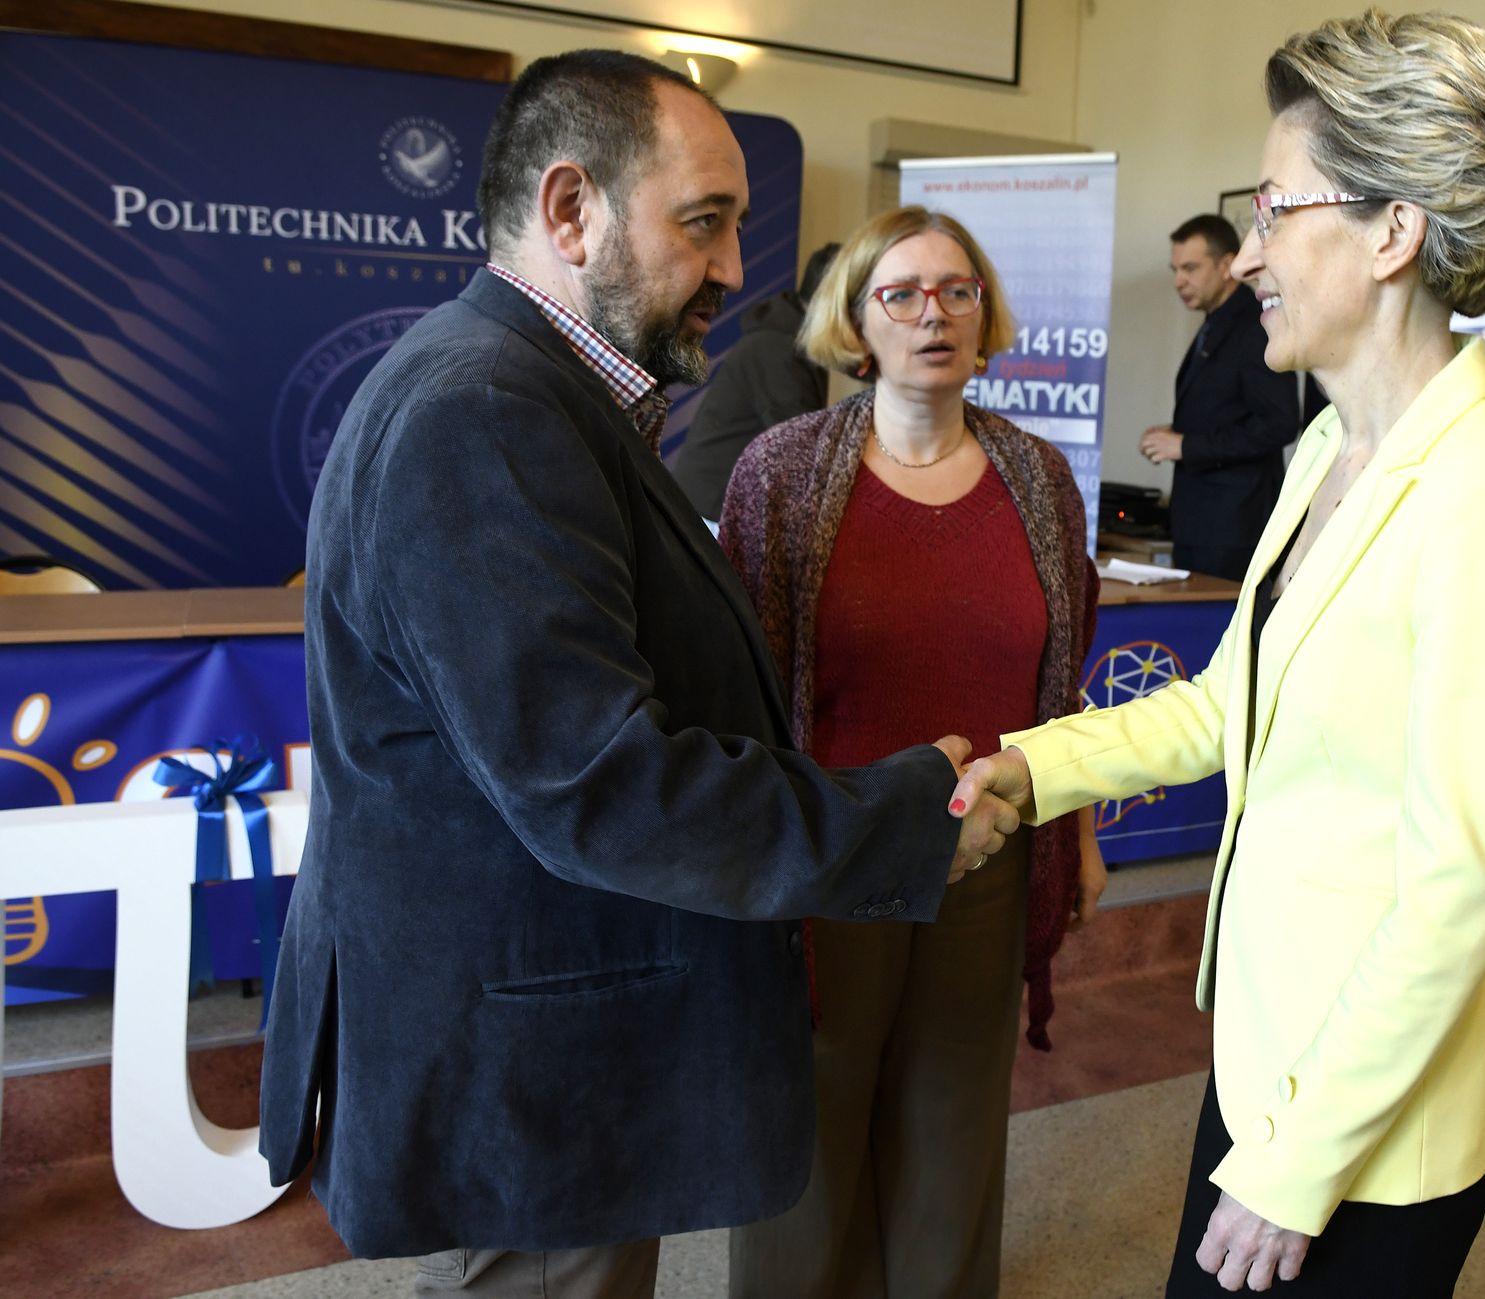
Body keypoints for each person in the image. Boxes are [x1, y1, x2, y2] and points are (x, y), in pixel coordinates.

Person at [258, 52, 1017, 1296]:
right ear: (571, 211)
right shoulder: (486, 411)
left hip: (553, 1018)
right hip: (534, 1043)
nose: (731, 268)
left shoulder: (528, 390)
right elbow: (599, 782)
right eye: (703, 223)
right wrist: (895, 821)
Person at [954, 13, 1485, 1295]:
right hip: (1275, 1052)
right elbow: (1223, 705)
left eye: (1271, 209)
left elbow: (1458, 888)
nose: (1245, 254)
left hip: (1370, 1117)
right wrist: (1032, 768)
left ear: (1390, 232)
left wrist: (1293, 1162)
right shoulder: (1325, 452)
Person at [718, 205, 1104, 1299]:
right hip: (831, 858)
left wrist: (1074, 834)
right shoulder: (783, 471)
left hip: (988, 851)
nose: (933, 313)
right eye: (901, 292)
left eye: (957, 291)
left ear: (985, 316)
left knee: (955, 1119)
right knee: (815, 1118)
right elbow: (744, 694)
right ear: (855, 321)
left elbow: (1059, 683)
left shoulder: (1036, 478)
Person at [1140, 213, 1301, 581]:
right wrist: (1176, 434)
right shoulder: (1217, 322)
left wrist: (1186, 445)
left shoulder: (1256, 325)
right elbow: (1226, 410)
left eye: (1191, 268)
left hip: (1234, 532)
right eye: (1176, 270)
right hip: (1204, 526)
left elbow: (1279, 423)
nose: (1179, 281)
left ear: (1227, 266)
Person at [671, 241, 839, 520]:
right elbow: (807, 450)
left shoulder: (789, 337)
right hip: (712, 510)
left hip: (719, 506)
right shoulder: (777, 348)